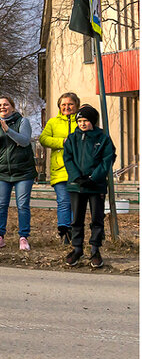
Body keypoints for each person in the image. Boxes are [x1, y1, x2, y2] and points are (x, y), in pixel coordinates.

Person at [62, 105, 116, 268]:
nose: (82, 124)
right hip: (76, 185)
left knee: (97, 219)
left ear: (93, 121)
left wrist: (93, 177)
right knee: (77, 219)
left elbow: (107, 159)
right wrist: (77, 177)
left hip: (96, 185)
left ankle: (95, 249)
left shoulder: (103, 138)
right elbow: (68, 158)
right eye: (80, 121)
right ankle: (77, 248)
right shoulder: (72, 139)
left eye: (86, 120)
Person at [0, 96, 37, 251]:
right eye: (0, 105)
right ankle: (0, 237)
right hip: (2, 172)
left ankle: (23, 238)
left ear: (12, 107)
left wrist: (8, 130)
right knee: (1, 205)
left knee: (22, 205)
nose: (3, 107)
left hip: (23, 172)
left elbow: (25, 141)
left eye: (6, 104)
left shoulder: (23, 122)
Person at [39, 91, 80, 245]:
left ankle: (76, 231)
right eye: (63, 104)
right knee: (63, 201)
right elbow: (43, 139)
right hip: (60, 168)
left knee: (76, 202)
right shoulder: (53, 122)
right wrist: (62, 142)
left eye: (70, 104)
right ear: (59, 106)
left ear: (76, 105)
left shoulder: (81, 121)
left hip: (78, 169)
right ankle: (64, 232)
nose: (67, 107)